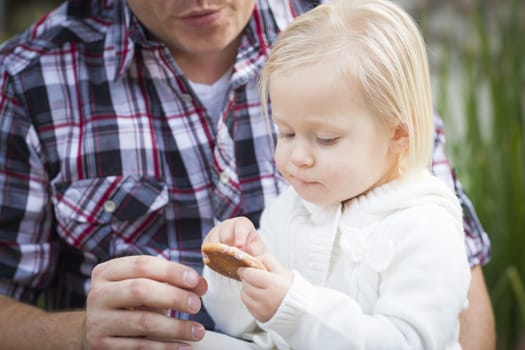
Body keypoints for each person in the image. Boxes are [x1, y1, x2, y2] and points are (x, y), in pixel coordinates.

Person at [0, 0, 493, 349]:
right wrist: (235, 275)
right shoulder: (28, 78)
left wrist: (290, 303)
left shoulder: (354, 45)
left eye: (323, 140)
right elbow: (245, 327)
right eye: (283, 133)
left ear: (399, 136)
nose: (296, 159)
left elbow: (437, 325)